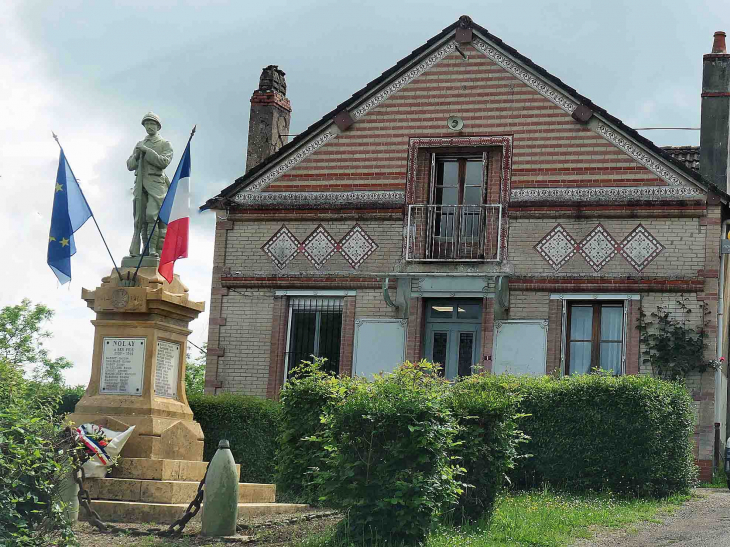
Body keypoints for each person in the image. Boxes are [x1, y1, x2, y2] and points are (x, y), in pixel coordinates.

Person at [127, 112, 173, 257]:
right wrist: (136, 155)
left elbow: (164, 162)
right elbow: (129, 165)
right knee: (140, 220)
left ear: (158, 126)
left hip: (156, 185)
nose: (149, 127)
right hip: (140, 185)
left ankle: (153, 250)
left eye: (152, 124)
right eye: (147, 124)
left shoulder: (164, 144)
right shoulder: (140, 144)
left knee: (152, 216)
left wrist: (147, 151)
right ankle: (144, 250)